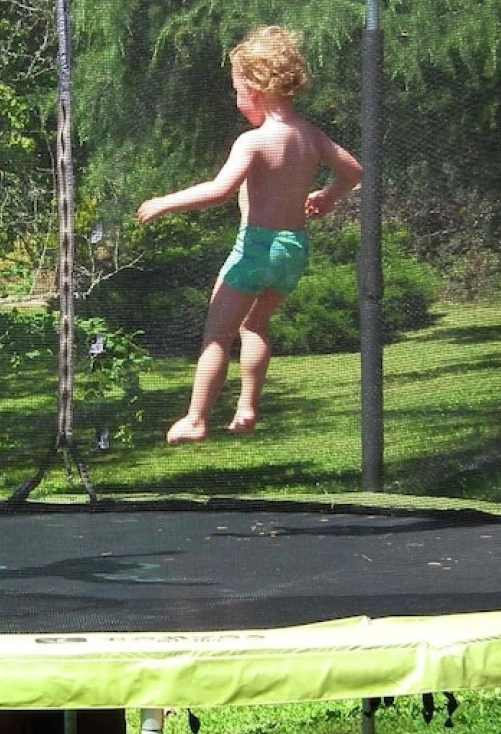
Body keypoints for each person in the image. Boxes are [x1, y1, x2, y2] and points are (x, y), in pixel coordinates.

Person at [136, 25, 362, 446]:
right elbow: (353, 171)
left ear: (255, 90)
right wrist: (328, 196)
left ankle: (196, 419)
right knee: (255, 324)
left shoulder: (254, 141)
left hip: (256, 247)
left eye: (237, 91)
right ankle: (247, 407)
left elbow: (220, 191)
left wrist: (166, 202)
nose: (237, 100)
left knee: (217, 334)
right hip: (293, 249)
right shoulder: (309, 135)